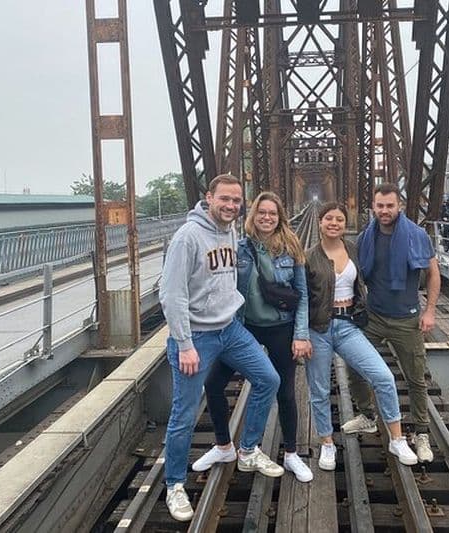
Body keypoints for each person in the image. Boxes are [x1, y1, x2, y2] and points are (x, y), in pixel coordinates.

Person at [159, 175, 282, 522]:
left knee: (268, 379)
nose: (230, 206)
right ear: (209, 197)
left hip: (230, 329)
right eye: (224, 199)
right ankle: (174, 485)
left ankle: (247, 450)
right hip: (196, 337)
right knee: (184, 413)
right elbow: (171, 295)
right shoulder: (187, 237)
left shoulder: (230, 231)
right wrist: (184, 344)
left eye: (236, 201)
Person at [192, 191, 314, 483]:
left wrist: (301, 334)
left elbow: (303, 295)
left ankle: (291, 454)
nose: (267, 218)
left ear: (279, 217)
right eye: (262, 212)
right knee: (214, 383)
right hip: (243, 326)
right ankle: (223, 446)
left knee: (284, 390)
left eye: (272, 213)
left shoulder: (291, 247)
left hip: (280, 327)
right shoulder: (238, 246)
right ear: (253, 215)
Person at [305, 202, 418, 471]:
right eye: (329, 218)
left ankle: (397, 439)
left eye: (339, 219)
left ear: (346, 224)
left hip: (348, 326)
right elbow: (300, 298)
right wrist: (300, 334)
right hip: (318, 329)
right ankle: (327, 444)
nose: (334, 223)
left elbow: (380, 271)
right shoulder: (308, 255)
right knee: (319, 390)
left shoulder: (355, 250)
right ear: (320, 222)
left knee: (383, 377)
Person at [340, 183, 440, 463]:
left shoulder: (417, 236)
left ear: (400, 206)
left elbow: (433, 274)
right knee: (355, 365)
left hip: (407, 318)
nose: (384, 211)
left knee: (416, 378)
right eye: (380, 206)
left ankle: (421, 432)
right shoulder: (364, 238)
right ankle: (367, 415)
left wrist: (429, 311)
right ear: (374, 206)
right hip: (373, 316)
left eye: (389, 206)